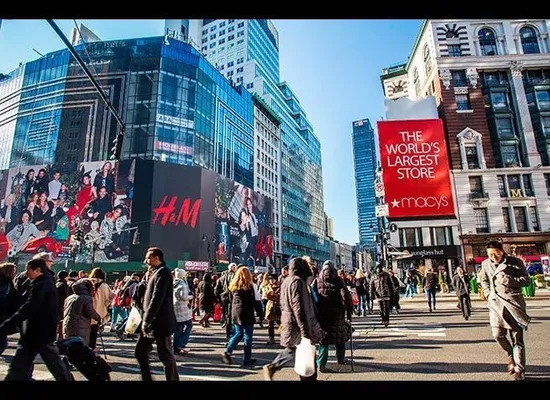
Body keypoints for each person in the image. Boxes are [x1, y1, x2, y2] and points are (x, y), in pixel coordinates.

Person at [0, 259, 71, 380]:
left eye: (29, 270)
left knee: (55, 366)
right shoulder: (43, 283)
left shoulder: (42, 284)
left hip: (38, 332)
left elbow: (29, 307)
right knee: (20, 366)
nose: (26, 273)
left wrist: (7, 325)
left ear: (38, 270)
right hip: (38, 332)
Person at [262, 257, 324, 381]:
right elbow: (298, 307)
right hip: (299, 322)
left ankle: (276, 367)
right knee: (304, 349)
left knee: (300, 350)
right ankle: (274, 366)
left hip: (291, 320)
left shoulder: (287, 281)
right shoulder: (297, 282)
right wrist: (304, 329)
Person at [479, 241, 531, 381]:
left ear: (502, 251)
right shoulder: (485, 264)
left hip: (513, 304)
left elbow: (526, 281)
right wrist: (489, 294)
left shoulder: (515, 262)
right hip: (496, 305)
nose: (494, 256)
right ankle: (510, 355)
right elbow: (483, 280)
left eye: (496, 253)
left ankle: (520, 369)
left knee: (517, 339)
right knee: (497, 335)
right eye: (490, 254)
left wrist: (510, 280)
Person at [134, 247, 179, 381]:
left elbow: (157, 297)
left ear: (156, 258)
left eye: (148, 258)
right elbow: (144, 292)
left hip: (160, 322)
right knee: (140, 352)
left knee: (165, 355)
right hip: (151, 321)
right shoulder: (153, 272)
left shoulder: (163, 272)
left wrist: (147, 319)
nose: (145, 260)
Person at [315, 260, 354, 373]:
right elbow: (346, 296)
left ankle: (321, 364)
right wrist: (349, 310)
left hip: (322, 314)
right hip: (337, 313)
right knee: (340, 337)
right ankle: (341, 359)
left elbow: (313, 296)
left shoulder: (317, 281)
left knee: (324, 340)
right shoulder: (338, 280)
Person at [221, 265, 257, 367]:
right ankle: (247, 359)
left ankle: (228, 351)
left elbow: (230, 299)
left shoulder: (233, 286)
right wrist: (259, 313)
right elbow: (253, 302)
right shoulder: (249, 287)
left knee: (238, 333)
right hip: (246, 313)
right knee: (248, 336)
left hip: (236, 312)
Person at [0, 262, 18, 356]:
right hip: (2, 317)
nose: (15, 274)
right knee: (2, 344)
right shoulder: (5, 283)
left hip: (3, 317)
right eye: (13, 271)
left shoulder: (6, 283)